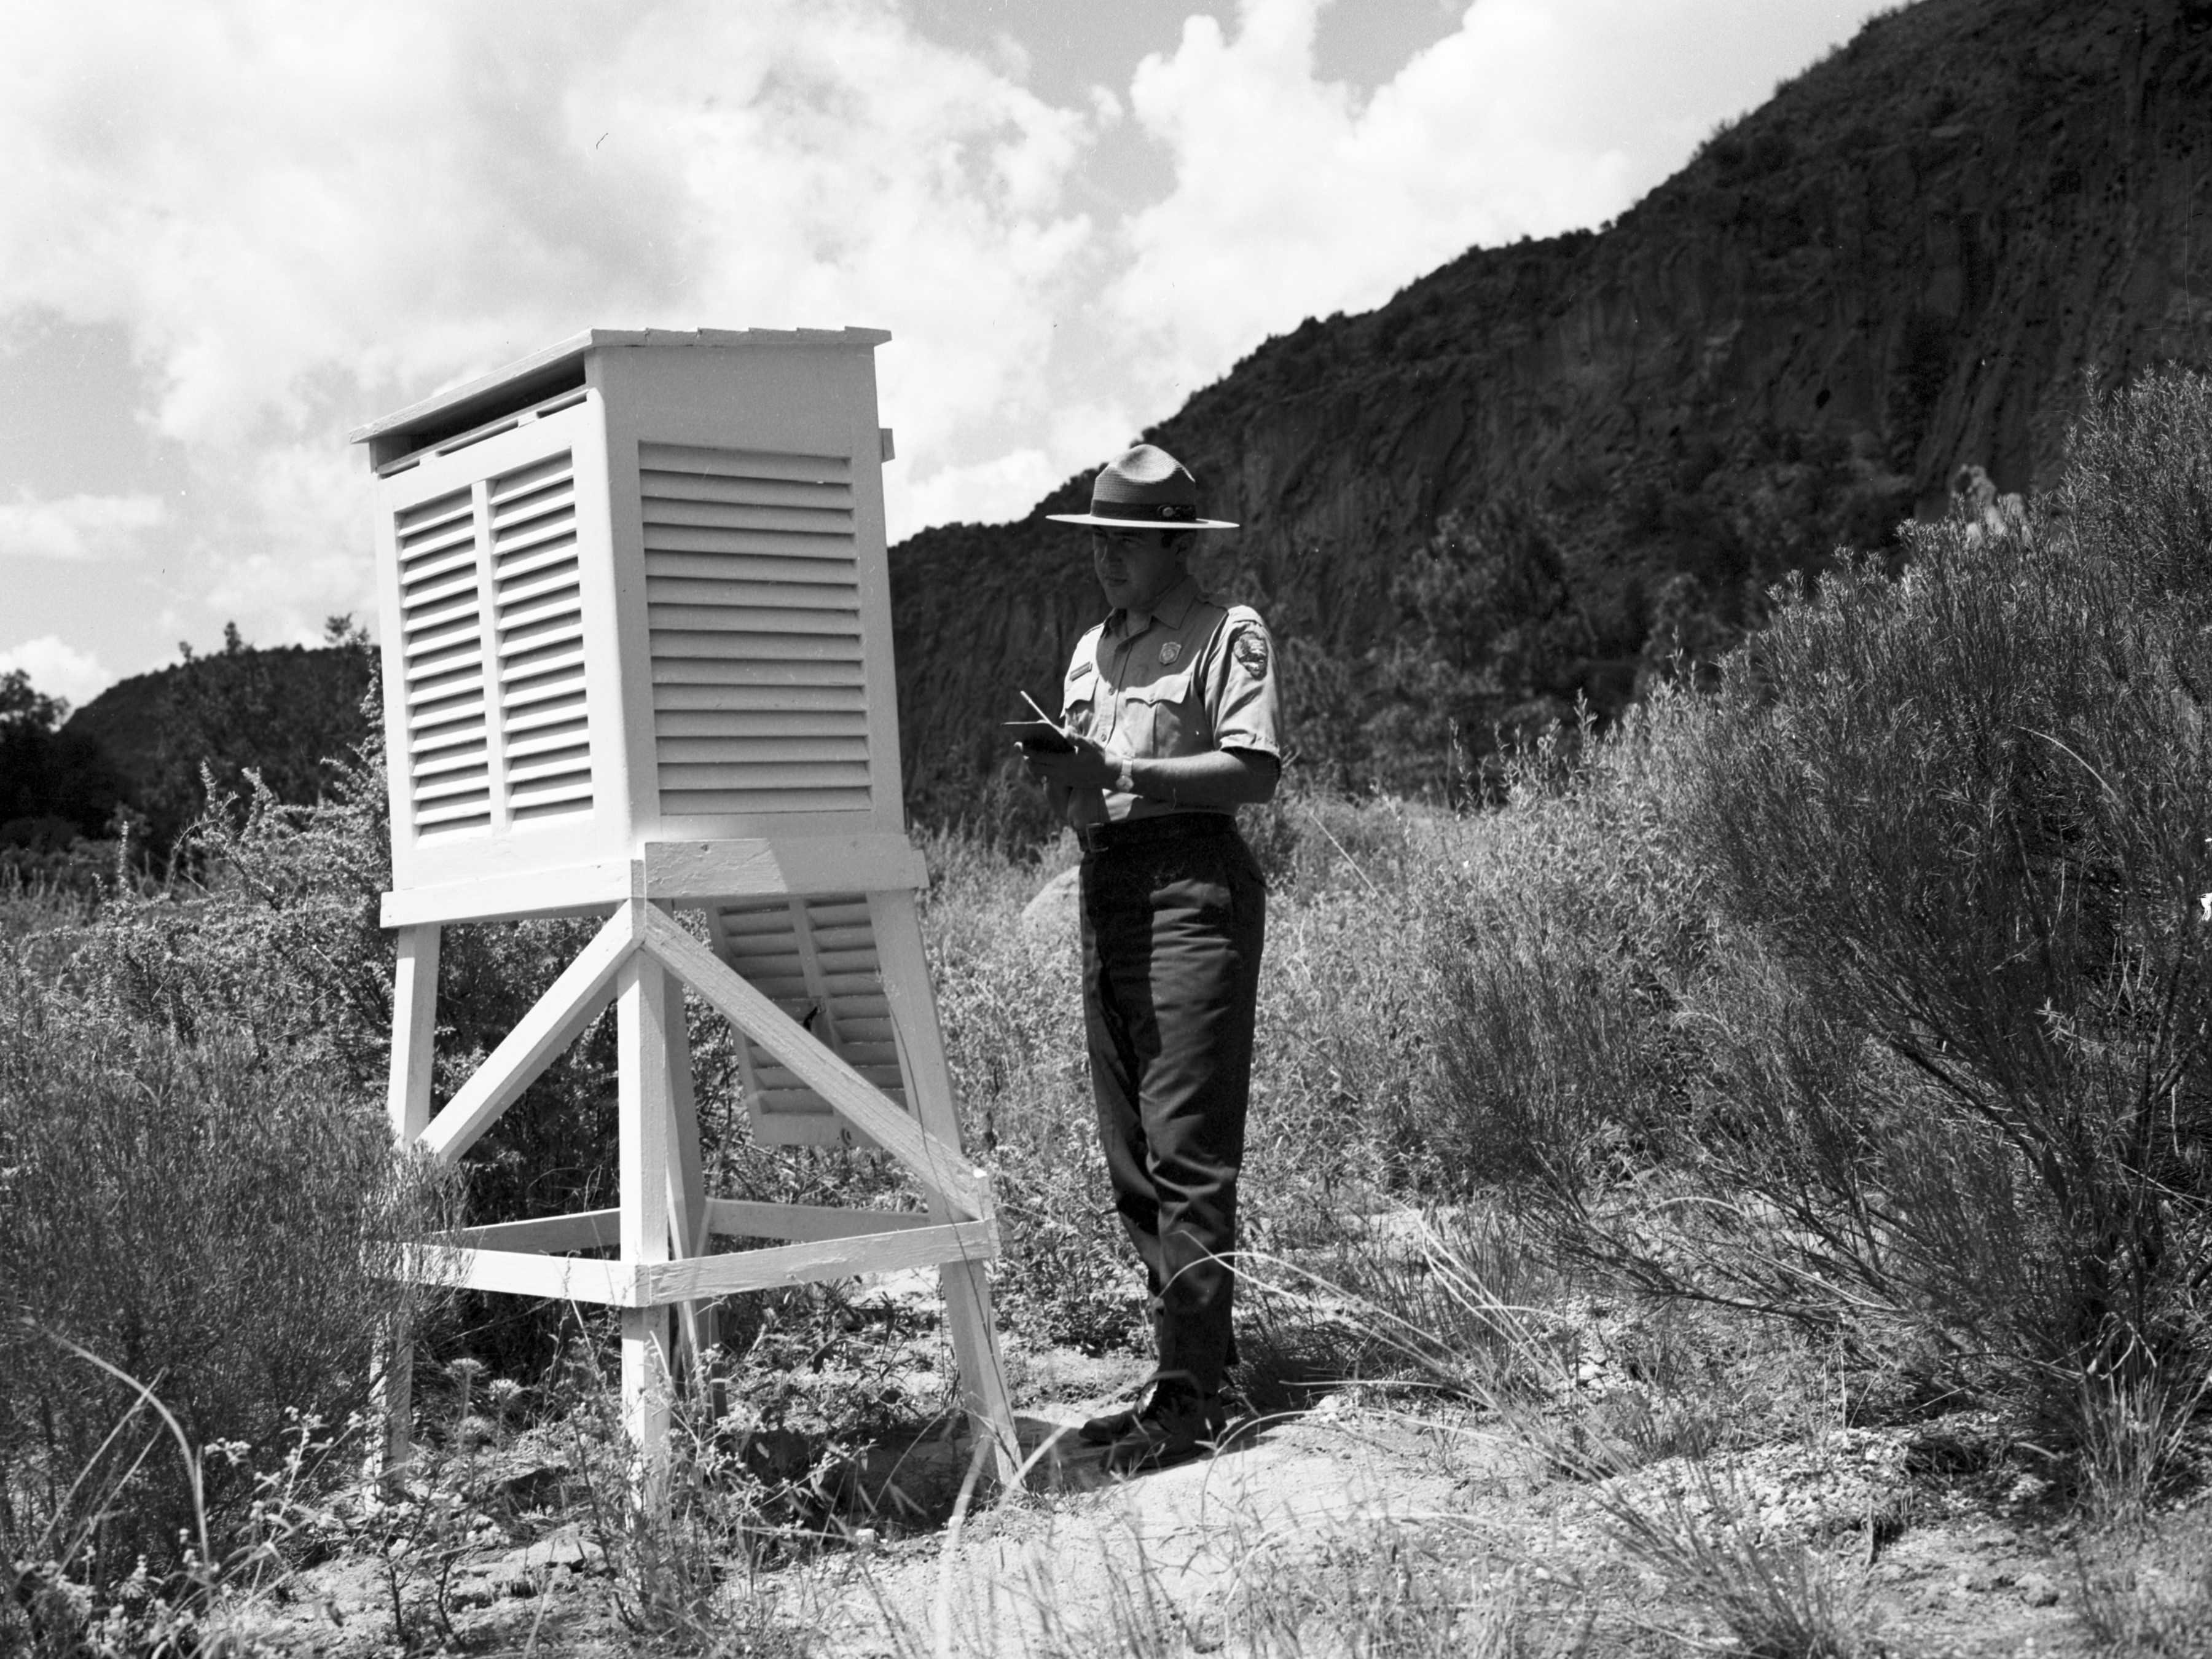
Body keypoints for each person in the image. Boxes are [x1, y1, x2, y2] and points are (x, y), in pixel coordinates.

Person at [1018, 442, 1281, 1472]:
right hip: (1108, 883)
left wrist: (1122, 764)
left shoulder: (1230, 633)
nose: (1106, 556)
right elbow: (1085, 791)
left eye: (1125, 538)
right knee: (1132, 1150)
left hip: (1189, 885)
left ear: (1175, 543)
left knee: (1187, 1145)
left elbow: (1251, 773)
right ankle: (1184, 1375)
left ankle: (1196, 1397)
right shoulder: (1091, 649)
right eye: (1096, 538)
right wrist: (1065, 773)